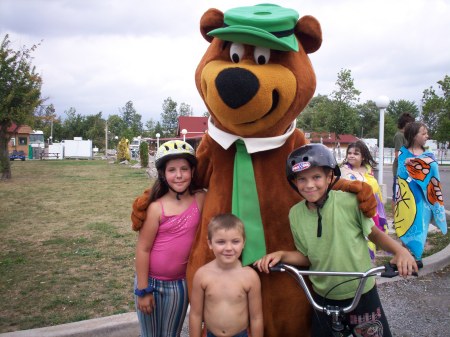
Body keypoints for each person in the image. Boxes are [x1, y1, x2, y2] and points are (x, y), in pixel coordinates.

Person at [254, 143, 418, 337]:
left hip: (362, 292)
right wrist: (281, 255)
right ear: (294, 182)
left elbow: (374, 234)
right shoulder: (295, 214)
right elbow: (306, 257)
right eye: (301, 179)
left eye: (316, 177)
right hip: (323, 297)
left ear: (330, 177)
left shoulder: (349, 202)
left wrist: (400, 252)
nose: (309, 185)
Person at [132, 140, 206, 337]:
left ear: (192, 171)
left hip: (180, 285)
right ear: (163, 175)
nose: (179, 175)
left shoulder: (200, 199)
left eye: (184, 169)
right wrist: (143, 289)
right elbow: (143, 249)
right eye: (172, 170)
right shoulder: (156, 207)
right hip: (151, 284)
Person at [189, 213, 263, 337]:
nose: (228, 248)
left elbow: (256, 318)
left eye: (235, 241)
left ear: (243, 243)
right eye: (221, 242)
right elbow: (195, 315)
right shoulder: (202, 275)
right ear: (210, 243)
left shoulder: (250, 277)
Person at [394, 121, 447, 260]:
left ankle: (416, 256)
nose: (427, 136)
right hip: (408, 196)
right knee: (406, 223)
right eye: (423, 133)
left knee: (420, 224)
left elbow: (433, 169)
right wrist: (411, 165)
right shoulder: (403, 153)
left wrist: (418, 163)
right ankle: (404, 255)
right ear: (413, 136)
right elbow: (401, 175)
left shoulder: (429, 154)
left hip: (423, 198)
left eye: (426, 133)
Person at [341, 140, 388, 260]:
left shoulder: (369, 171)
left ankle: (367, 264)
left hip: (370, 211)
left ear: (363, 157)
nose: (351, 155)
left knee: (369, 237)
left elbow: (375, 191)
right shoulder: (343, 172)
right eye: (349, 153)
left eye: (356, 153)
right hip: (351, 213)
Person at [392, 113, 415, 207]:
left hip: (410, 170)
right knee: (397, 195)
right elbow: (397, 154)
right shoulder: (399, 135)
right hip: (400, 170)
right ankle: (395, 220)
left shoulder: (410, 135)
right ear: (404, 123)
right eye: (409, 123)